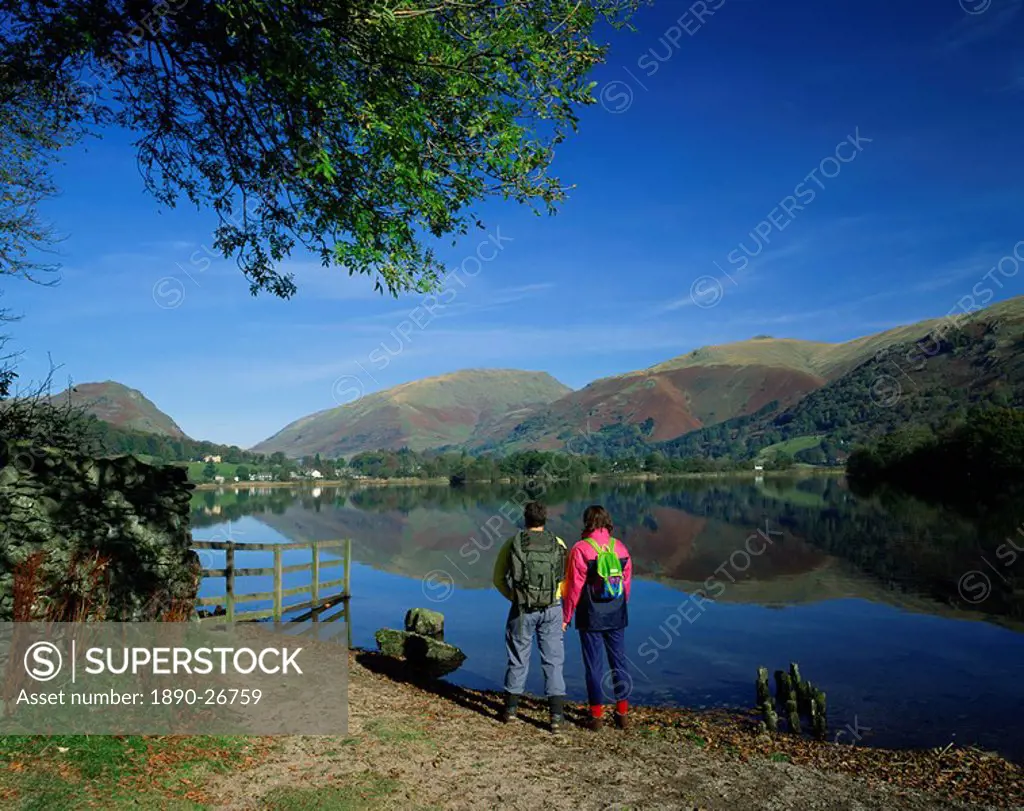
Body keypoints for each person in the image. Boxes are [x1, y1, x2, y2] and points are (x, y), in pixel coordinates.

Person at [492, 500, 569, 732]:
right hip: (552, 607)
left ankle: (511, 711)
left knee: (518, 656)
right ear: (545, 520)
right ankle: (556, 717)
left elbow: (498, 579)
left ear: (525, 520)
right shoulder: (558, 543)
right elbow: (564, 579)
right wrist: (555, 598)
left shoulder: (512, 543)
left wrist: (516, 598)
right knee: (553, 660)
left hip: (522, 609)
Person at [562, 504, 632, 731]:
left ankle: (596, 717)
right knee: (619, 662)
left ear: (587, 522)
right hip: (617, 613)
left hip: (590, 615)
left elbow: (574, 587)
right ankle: (622, 714)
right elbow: (626, 584)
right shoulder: (620, 547)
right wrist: (621, 606)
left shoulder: (581, 549)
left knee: (594, 666)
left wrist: (566, 616)